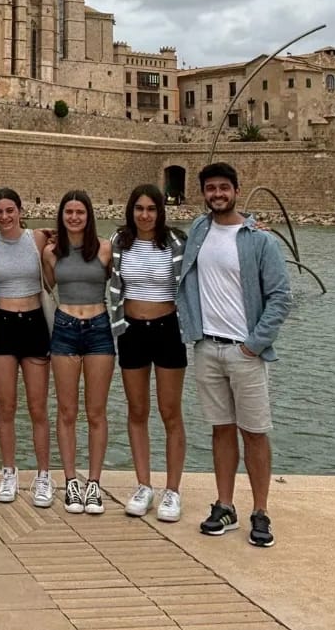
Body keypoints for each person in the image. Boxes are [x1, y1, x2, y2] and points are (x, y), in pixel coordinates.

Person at [176, 162, 292, 548]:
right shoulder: (198, 230)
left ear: (237, 191)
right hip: (207, 347)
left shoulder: (260, 241)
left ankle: (261, 511)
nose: (217, 194)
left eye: (224, 187)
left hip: (245, 351)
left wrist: (254, 344)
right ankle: (225, 505)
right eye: (211, 188)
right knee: (221, 430)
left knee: (254, 432)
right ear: (203, 193)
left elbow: (280, 297)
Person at [108, 184, 188, 523]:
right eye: (139, 208)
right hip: (132, 331)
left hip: (168, 329)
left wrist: (252, 225)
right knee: (137, 410)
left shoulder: (176, 242)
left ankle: (173, 490)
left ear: (160, 211)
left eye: (151, 209)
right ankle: (143, 485)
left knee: (170, 412)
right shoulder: (119, 241)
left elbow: (212, 245)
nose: (145, 215)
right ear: (131, 210)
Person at [44, 189, 114, 515]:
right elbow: (47, 285)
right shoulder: (50, 252)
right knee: (67, 411)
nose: (74, 217)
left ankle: (94, 483)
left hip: (99, 328)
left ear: (89, 216)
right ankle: (71, 480)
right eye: (69, 212)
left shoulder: (105, 248)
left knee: (96, 412)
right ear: (61, 216)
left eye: (80, 212)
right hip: (65, 328)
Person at [0, 187, 55, 508]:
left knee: (38, 407)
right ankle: (8, 472)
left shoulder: (36, 239)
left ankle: (43, 475)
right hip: (2, 326)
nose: (5, 217)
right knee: (6, 406)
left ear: (20, 210)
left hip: (34, 324)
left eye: (10, 210)